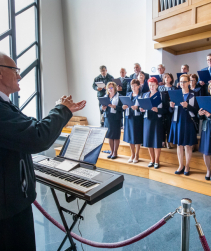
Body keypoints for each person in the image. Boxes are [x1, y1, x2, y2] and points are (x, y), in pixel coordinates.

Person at [0, 52, 86, 251]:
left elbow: (28, 129)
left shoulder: (5, 105)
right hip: (8, 208)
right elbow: (37, 136)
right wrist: (60, 109)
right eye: (15, 70)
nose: (19, 76)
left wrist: (64, 110)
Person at [169, 74, 199, 176]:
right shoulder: (175, 94)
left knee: (187, 145)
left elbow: (197, 111)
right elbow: (170, 110)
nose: (182, 83)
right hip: (177, 121)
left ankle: (187, 165)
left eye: (184, 81)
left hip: (188, 121)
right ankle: (180, 165)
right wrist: (171, 106)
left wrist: (188, 106)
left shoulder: (194, 94)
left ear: (189, 82)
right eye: (181, 82)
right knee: (179, 144)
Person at [140, 77, 167, 169]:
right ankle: (152, 159)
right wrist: (142, 109)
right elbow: (142, 106)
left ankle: (157, 160)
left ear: (157, 85)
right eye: (150, 85)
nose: (151, 87)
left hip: (157, 120)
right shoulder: (145, 95)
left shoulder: (161, 95)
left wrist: (157, 110)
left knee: (156, 141)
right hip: (147, 119)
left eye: (153, 85)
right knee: (148, 140)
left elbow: (166, 110)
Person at [122, 79, 143, 163]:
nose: (133, 87)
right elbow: (124, 105)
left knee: (137, 137)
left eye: (135, 85)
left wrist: (137, 108)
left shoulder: (141, 95)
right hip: (129, 117)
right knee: (130, 136)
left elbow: (144, 107)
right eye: (132, 86)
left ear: (138, 86)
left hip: (137, 118)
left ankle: (137, 154)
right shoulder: (128, 94)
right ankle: (132, 154)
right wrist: (123, 107)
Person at [100, 82, 123, 159]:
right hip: (108, 118)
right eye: (108, 87)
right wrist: (102, 108)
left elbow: (123, 108)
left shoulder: (119, 96)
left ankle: (115, 152)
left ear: (115, 88)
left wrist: (114, 107)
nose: (110, 89)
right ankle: (111, 151)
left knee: (116, 136)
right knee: (110, 136)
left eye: (111, 87)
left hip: (116, 118)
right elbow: (101, 107)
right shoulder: (105, 96)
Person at [158, 73, 177, 149]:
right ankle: (163, 141)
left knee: (169, 125)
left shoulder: (174, 88)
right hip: (162, 108)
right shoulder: (160, 88)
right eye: (165, 77)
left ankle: (168, 142)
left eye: (168, 77)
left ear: (171, 79)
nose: (166, 78)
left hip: (170, 109)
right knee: (162, 125)